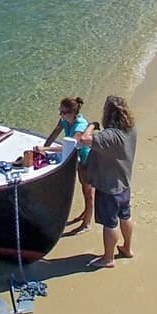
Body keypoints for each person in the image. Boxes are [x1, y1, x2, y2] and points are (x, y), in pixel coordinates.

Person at [76, 95, 137, 268]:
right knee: (125, 216)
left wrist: (91, 126)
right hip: (124, 184)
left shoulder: (109, 136)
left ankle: (108, 258)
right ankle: (127, 248)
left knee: (110, 224)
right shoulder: (131, 129)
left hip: (109, 188)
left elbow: (84, 140)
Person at [52, 96, 95, 232]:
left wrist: (45, 149)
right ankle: (85, 213)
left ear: (73, 113)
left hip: (87, 159)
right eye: (60, 111)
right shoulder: (64, 120)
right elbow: (55, 132)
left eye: (63, 112)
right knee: (83, 188)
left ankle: (87, 223)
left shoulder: (80, 126)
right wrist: (43, 147)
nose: (61, 114)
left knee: (88, 191)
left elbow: (69, 146)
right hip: (76, 158)